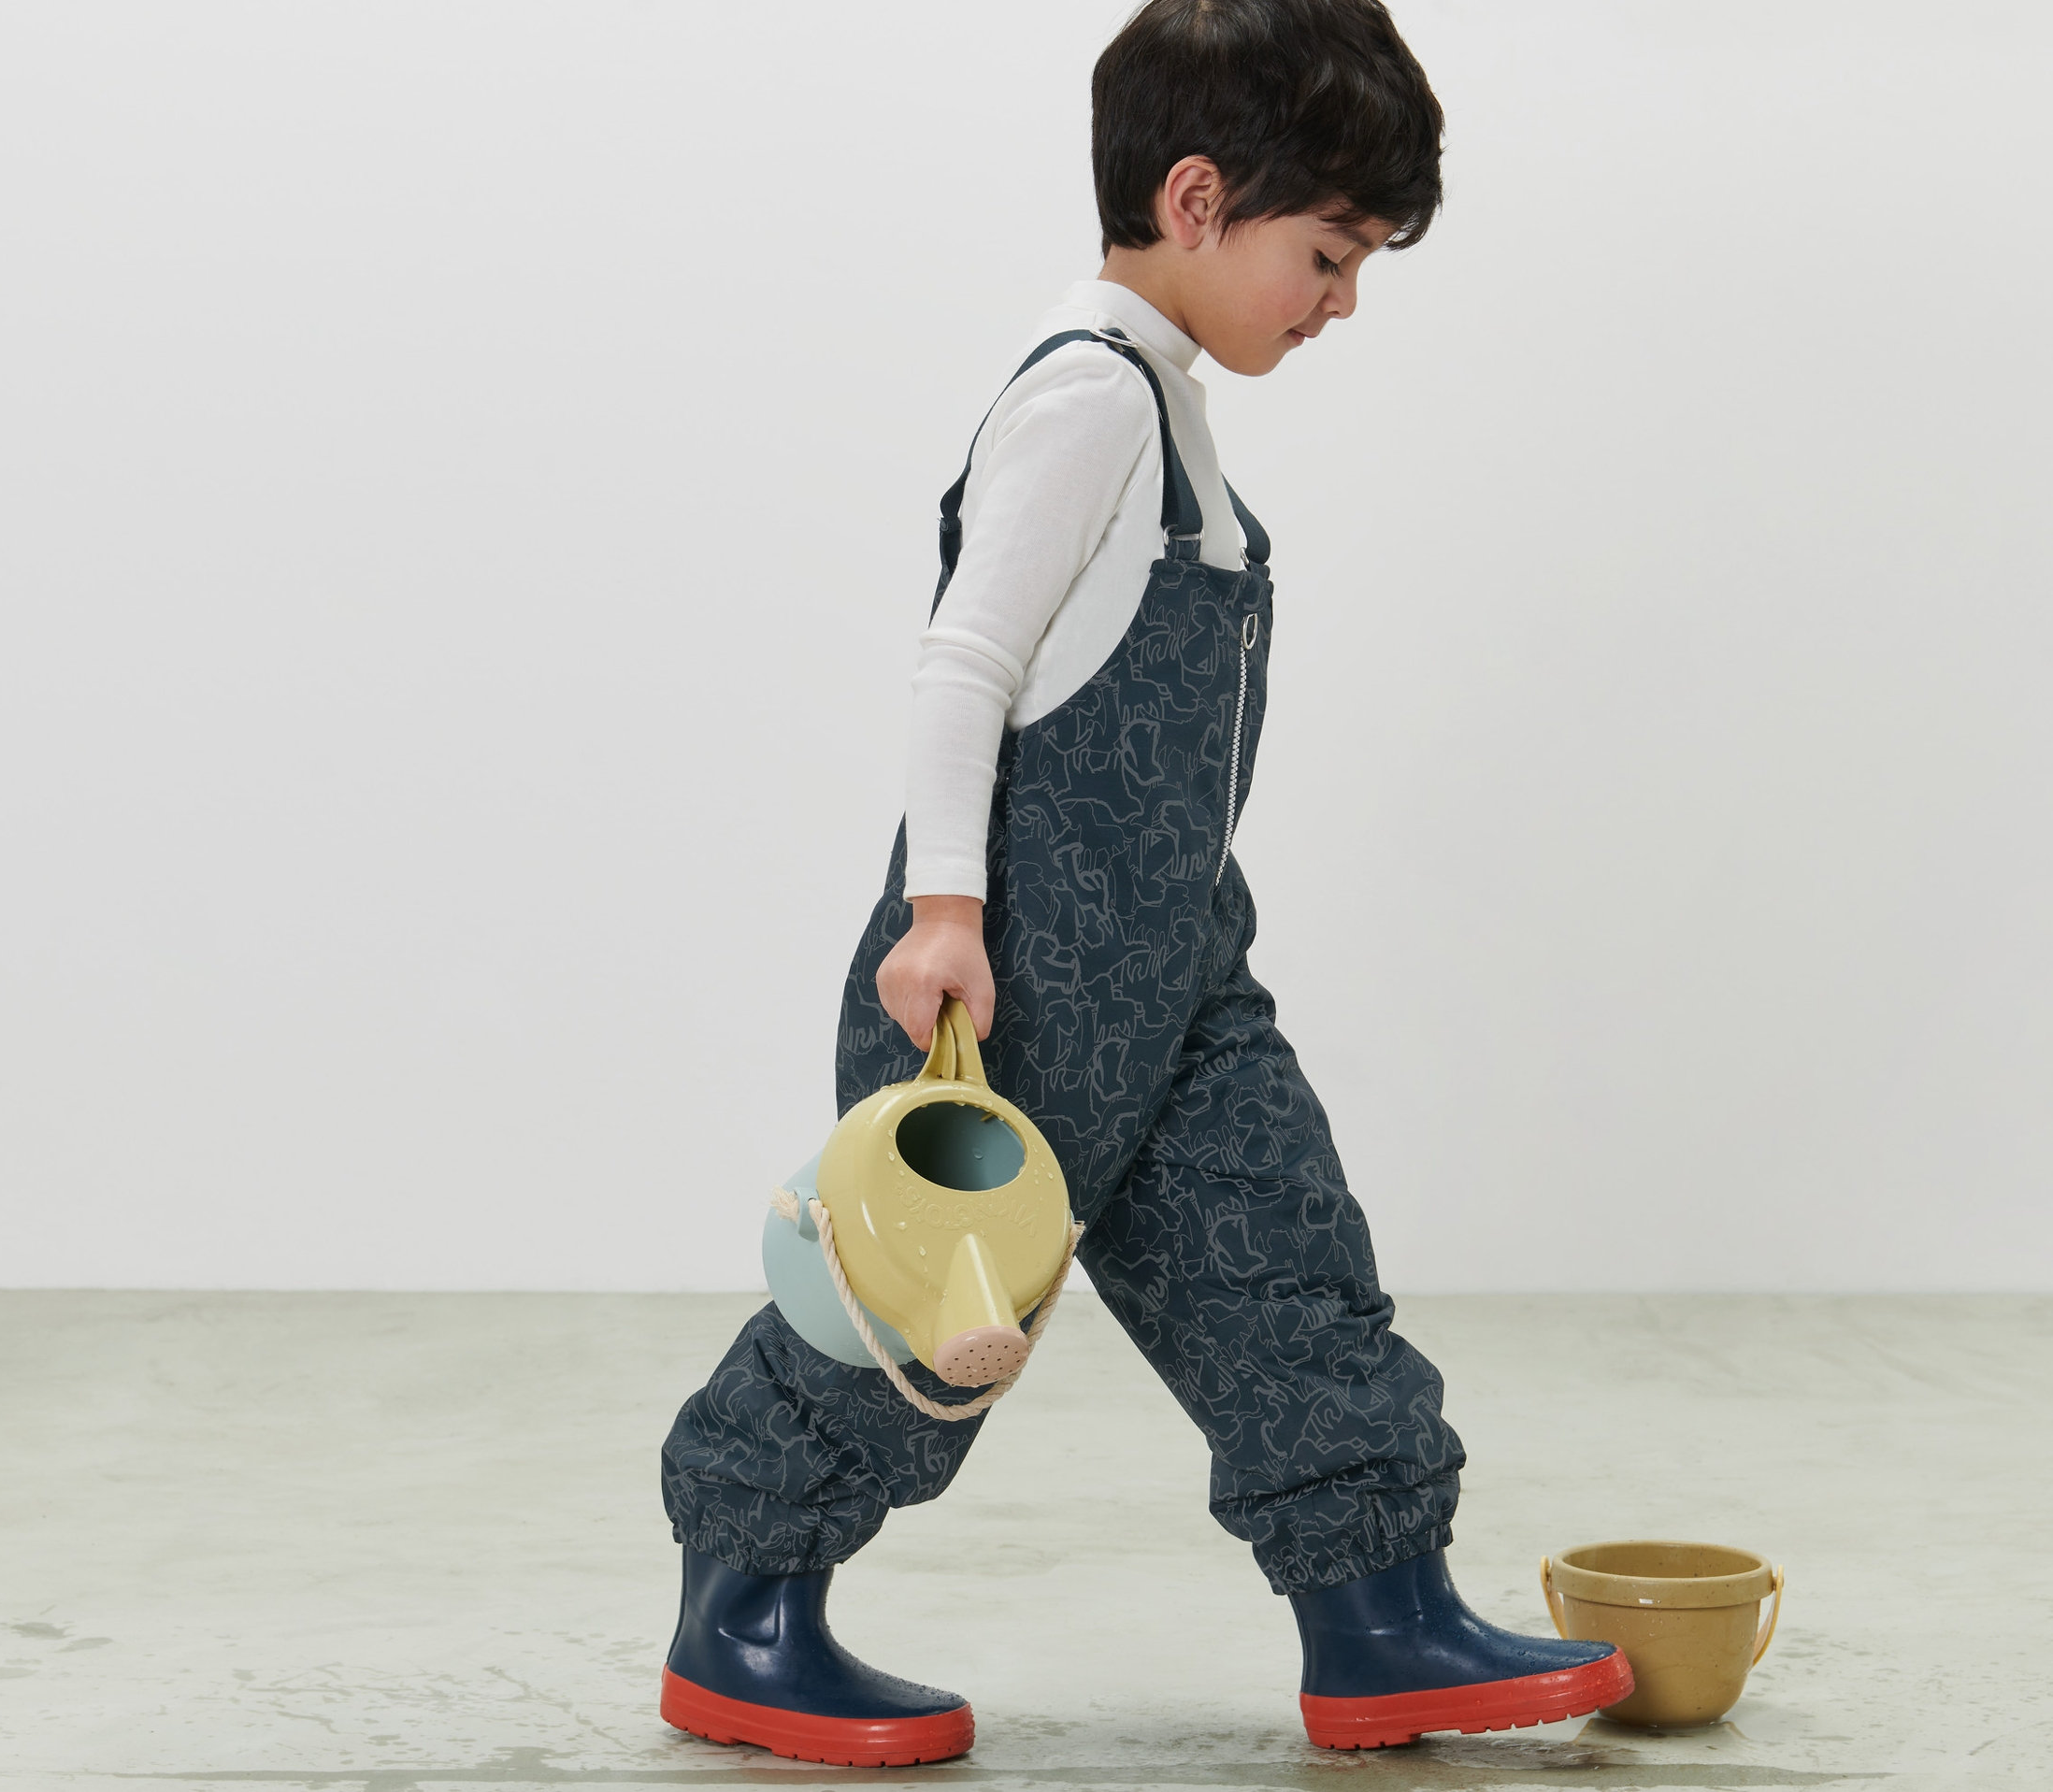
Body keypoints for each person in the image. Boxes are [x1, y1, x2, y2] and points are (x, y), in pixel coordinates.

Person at [659, 0, 1633, 1764]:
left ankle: (1380, 1618)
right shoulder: (1089, 396)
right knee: (916, 1313)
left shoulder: (1166, 406)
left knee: (1283, 1260)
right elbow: (963, 661)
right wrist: (943, 912)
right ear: (1195, 200)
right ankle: (741, 1621)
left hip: (1176, 967)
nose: (1342, 301)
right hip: (1016, 982)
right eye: (1327, 253)